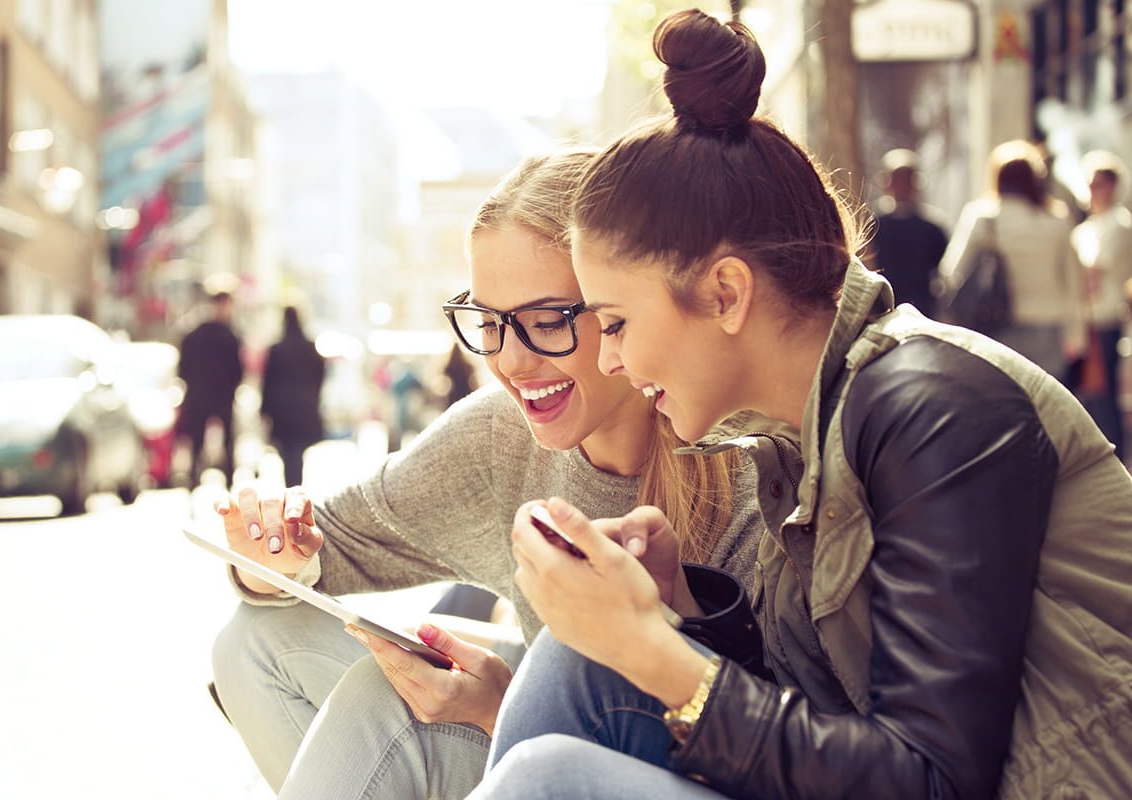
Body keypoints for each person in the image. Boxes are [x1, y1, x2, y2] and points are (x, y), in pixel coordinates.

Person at [469, 10, 1132, 799]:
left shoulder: (936, 407)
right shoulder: (800, 435)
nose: (609, 357)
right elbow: (821, 715)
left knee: (550, 778)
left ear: (724, 292)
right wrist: (681, 603)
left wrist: (649, 645)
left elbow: (932, 779)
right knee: (576, 660)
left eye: (614, 322)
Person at [208, 149, 765, 798]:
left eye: (546, 320)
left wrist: (504, 709)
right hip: (542, 747)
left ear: (621, 308)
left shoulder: (744, 463)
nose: (512, 361)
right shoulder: (498, 435)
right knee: (260, 644)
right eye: (490, 323)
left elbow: (775, 750)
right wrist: (270, 551)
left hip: (670, 772)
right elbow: (328, 546)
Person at [940, 139, 1086, 382]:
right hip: (1048, 328)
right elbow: (1074, 283)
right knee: (1046, 406)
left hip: (996, 326)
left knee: (1005, 404)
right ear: (1035, 179)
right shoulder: (1057, 220)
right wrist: (1077, 338)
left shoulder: (983, 217)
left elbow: (951, 271)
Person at [1071, 150, 1132, 462]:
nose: (1095, 190)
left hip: (1104, 317)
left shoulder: (1120, 225)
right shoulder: (1085, 228)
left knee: (1104, 393)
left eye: (1101, 184)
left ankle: (1115, 459)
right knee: (1087, 394)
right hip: (1080, 319)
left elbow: (1092, 272)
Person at [176, 287, 243, 487]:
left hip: (202, 395)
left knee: (201, 441)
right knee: (222, 441)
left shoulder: (193, 335)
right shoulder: (228, 335)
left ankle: (195, 480)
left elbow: (183, 369)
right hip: (217, 396)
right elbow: (237, 370)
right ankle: (223, 481)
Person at [868, 148, 948, 318]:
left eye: (906, 180)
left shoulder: (932, 229)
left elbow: (943, 272)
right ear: (886, 183)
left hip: (923, 310)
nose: (901, 187)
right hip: (885, 309)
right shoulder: (874, 225)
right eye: (897, 180)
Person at [260, 304, 326, 486]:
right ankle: (295, 488)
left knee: (288, 452)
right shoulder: (310, 348)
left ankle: (292, 488)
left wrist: (265, 409)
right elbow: (320, 377)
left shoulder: (277, 349)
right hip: (305, 407)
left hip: (282, 410)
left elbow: (268, 381)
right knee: (297, 452)